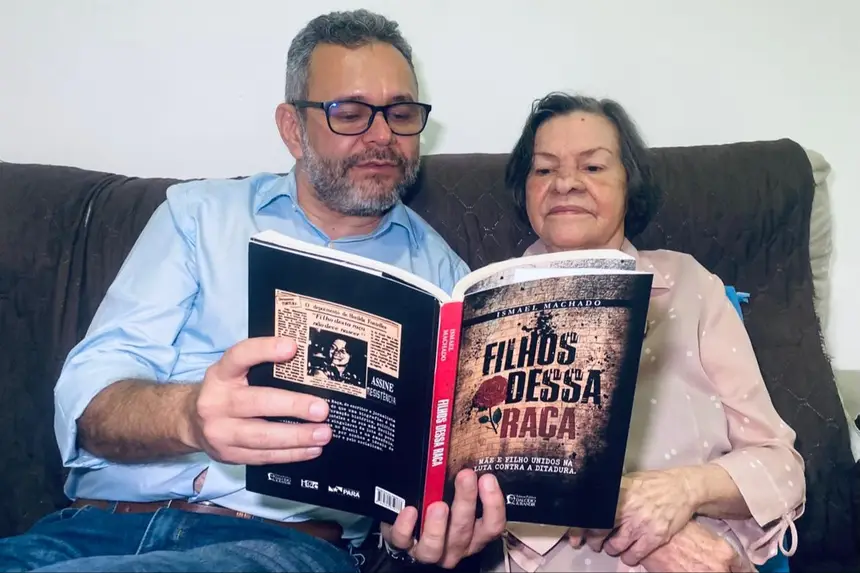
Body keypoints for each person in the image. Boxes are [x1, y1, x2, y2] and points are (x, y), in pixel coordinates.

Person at [0, 9, 506, 573]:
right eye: (350, 114)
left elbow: (444, 461)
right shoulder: (198, 216)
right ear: (292, 128)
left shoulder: (449, 284)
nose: (383, 136)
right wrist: (188, 416)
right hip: (89, 529)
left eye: (402, 114)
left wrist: (426, 526)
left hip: (281, 545)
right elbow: (90, 397)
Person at [479, 92, 805, 572]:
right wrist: (629, 519)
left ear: (629, 184)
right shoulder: (487, 303)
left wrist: (683, 491)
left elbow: (781, 465)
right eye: (544, 169)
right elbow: (472, 480)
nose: (565, 183)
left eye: (592, 167)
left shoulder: (691, 285)